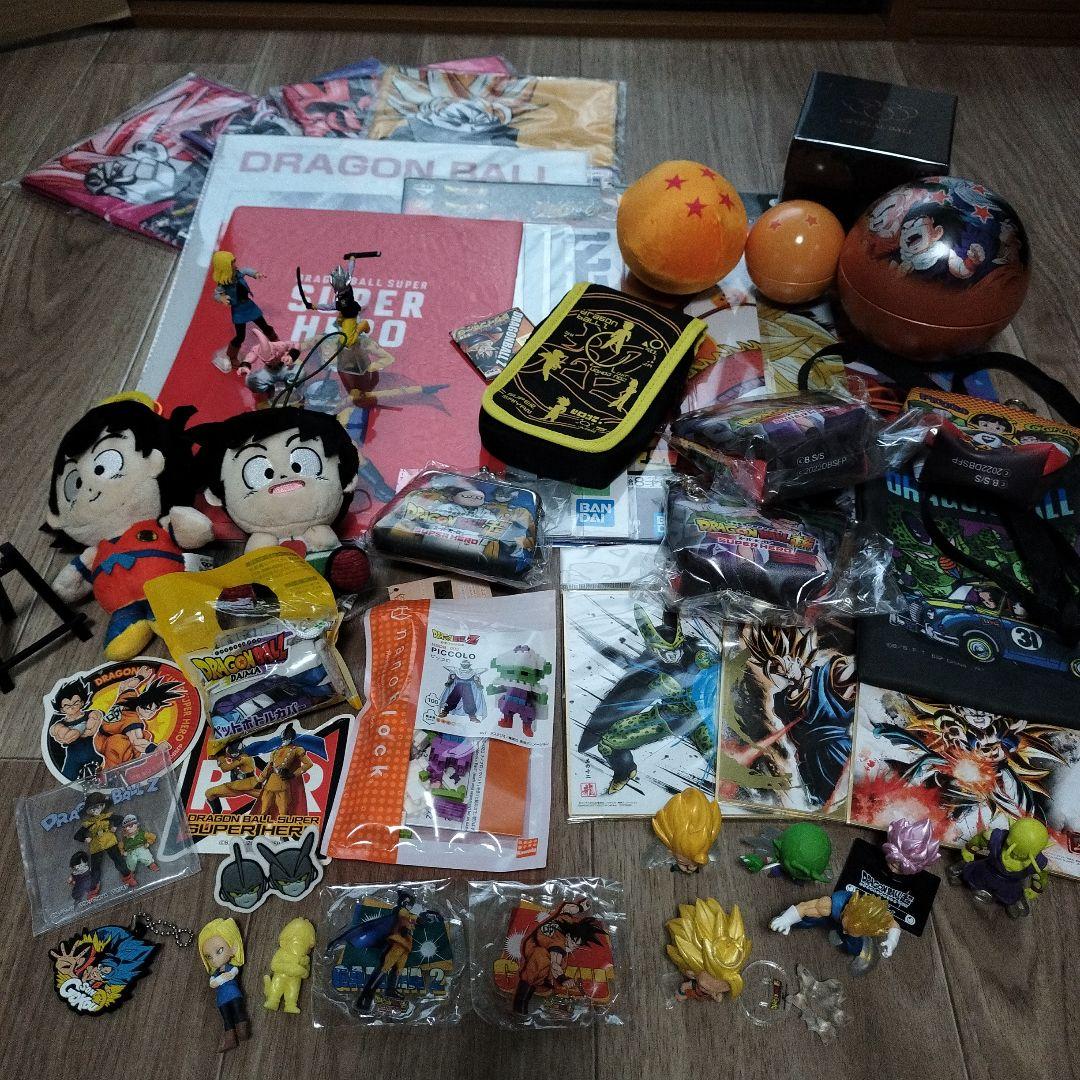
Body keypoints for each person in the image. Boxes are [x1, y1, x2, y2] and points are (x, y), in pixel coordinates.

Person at [211, 250, 279, 372]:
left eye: (234, 261)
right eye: (232, 262)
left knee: (264, 325)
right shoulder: (223, 284)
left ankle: (277, 343)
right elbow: (216, 294)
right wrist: (222, 298)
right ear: (225, 266)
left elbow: (247, 270)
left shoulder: (238, 273)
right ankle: (231, 356)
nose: (234, 264)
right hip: (238, 310)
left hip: (249, 306)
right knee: (240, 336)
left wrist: (256, 274)